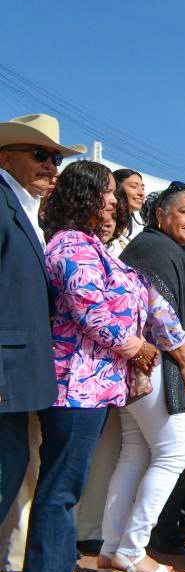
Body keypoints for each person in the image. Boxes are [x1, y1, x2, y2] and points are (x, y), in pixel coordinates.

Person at [34, 161, 185, 572]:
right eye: (106, 190)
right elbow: (89, 308)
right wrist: (137, 347)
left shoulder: (92, 246)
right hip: (74, 386)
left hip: (95, 386)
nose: (112, 199)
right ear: (85, 195)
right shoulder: (71, 246)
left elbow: (144, 299)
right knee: (60, 490)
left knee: (67, 489)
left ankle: (60, 566)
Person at [118, 183, 185, 556]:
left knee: (135, 455)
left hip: (147, 368)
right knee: (174, 454)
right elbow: (159, 309)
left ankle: (116, 547)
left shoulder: (161, 248)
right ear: (161, 214)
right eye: (184, 212)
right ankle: (131, 550)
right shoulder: (154, 249)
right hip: (158, 366)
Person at [0, 115, 69, 524]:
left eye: (56, 159)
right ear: (6, 158)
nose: (51, 166)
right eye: (41, 155)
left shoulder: (26, 210)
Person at [109, 168, 146, 254]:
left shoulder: (139, 228)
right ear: (117, 188)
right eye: (133, 187)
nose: (141, 193)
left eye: (143, 188)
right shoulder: (104, 225)